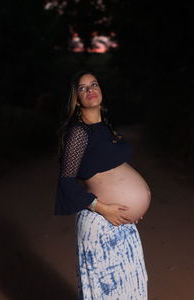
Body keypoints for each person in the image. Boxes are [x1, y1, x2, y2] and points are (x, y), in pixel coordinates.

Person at [55, 70, 150, 299]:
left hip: (121, 223)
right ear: (76, 98)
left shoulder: (106, 128)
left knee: (131, 289)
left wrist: (135, 207)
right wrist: (102, 208)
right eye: (82, 87)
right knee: (107, 292)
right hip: (100, 221)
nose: (90, 90)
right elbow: (66, 183)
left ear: (101, 90)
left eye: (94, 84)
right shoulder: (79, 132)